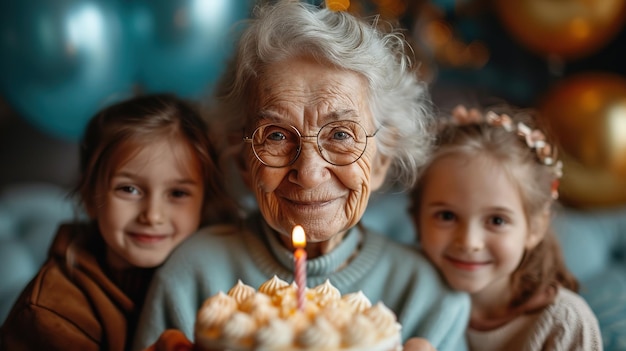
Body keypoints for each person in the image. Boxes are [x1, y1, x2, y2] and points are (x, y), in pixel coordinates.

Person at [132, 1, 470, 351]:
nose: (308, 173)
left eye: (340, 135)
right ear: (244, 159)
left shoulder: (429, 299)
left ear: (382, 157)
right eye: (276, 135)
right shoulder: (192, 274)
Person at [0, 93, 234, 351]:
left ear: (203, 202)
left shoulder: (216, 267)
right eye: (128, 190)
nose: (153, 215)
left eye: (177, 193)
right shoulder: (51, 312)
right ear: (90, 197)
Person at [409, 105, 603, 350]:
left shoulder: (564, 322)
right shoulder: (405, 293)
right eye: (446, 216)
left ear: (535, 227)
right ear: (417, 219)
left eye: (497, 221)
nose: (469, 241)